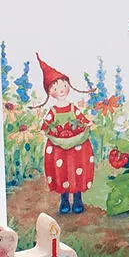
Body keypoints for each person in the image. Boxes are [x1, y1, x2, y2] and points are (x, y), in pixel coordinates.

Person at [37, 54, 95, 214]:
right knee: (62, 172)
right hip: (59, 145)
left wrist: (87, 123)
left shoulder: (72, 107)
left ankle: (77, 199)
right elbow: (47, 124)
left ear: (68, 86)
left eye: (63, 85)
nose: (61, 90)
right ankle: (64, 200)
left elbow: (80, 118)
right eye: (55, 88)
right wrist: (43, 129)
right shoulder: (53, 111)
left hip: (76, 143)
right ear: (50, 92)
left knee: (77, 169)